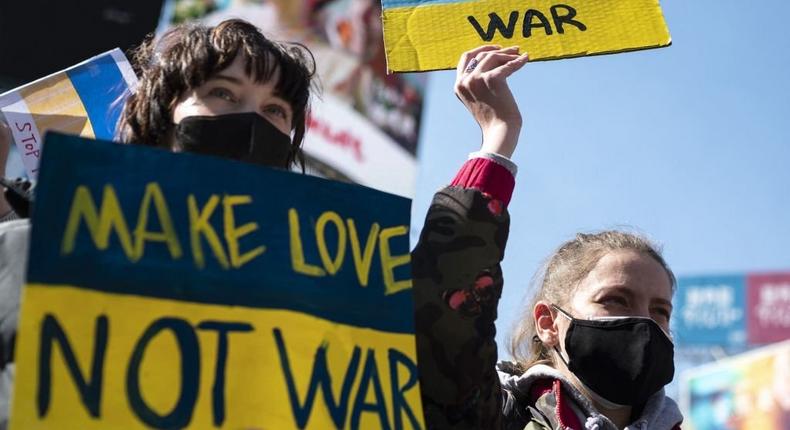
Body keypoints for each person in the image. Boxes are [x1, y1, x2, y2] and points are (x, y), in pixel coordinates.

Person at [0, 18, 529, 428]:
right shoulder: (36, 236)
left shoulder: (326, 287)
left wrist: (496, 143)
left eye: (277, 111)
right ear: (161, 116)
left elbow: (437, 348)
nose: (253, 121)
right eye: (224, 94)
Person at [413, 226, 685, 427]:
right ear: (548, 322)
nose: (645, 321)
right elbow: (442, 321)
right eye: (615, 300)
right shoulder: (493, 416)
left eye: (660, 311)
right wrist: (491, 166)